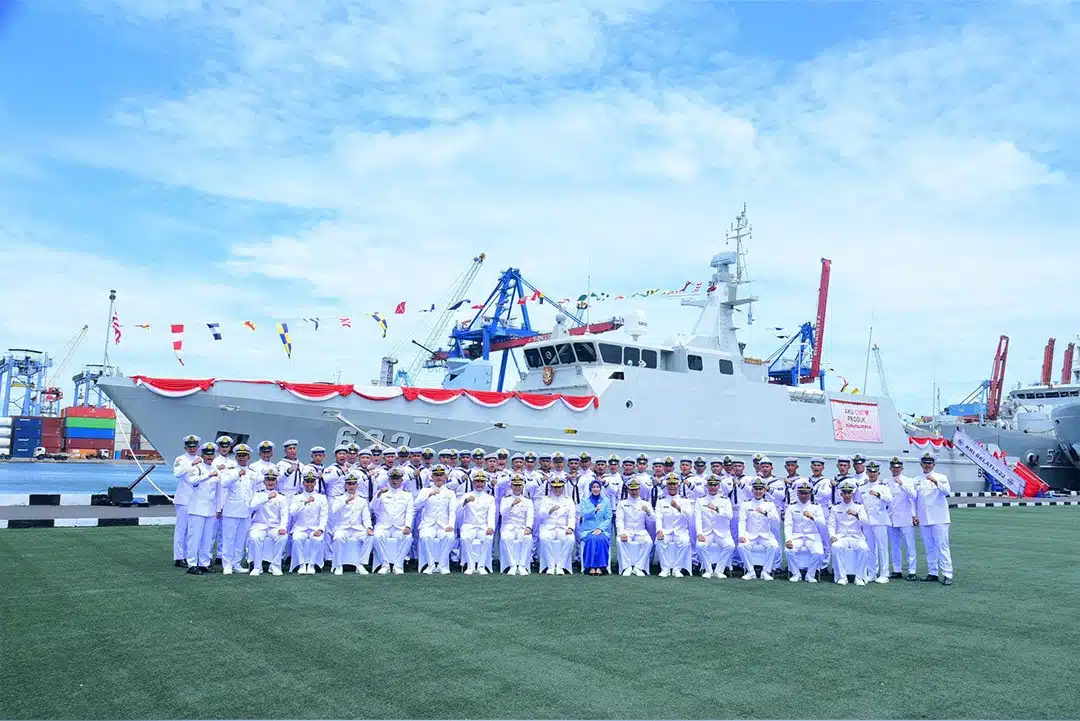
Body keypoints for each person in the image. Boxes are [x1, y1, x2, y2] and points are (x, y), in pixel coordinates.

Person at [915, 452, 953, 585]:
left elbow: (947, 491)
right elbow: (914, 500)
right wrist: (914, 515)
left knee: (942, 545)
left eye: (929, 463)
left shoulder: (941, 477)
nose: (927, 465)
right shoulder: (916, 480)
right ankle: (933, 572)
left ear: (934, 464)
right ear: (921, 464)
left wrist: (936, 482)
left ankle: (947, 574)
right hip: (924, 518)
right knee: (929, 546)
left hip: (939, 518)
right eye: (925, 463)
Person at [185, 442, 223, 574]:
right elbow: (192, 480)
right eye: (207, 454)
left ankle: (204, 563)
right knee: (194, 538)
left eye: (212, 454)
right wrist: (208, 475)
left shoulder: (216, 469)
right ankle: (191, 564)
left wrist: (218, 509)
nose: (209, 456)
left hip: (211, 510)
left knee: (208, 539)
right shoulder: (197, 468)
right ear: (202, 455)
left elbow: (219, 492)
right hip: (197, 509)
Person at [218, 443, 256, 575]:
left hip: (246, 511)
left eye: (244, 455)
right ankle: (227, 565)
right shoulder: (229, 470)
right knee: (229, 539)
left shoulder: (252, 473)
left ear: (248, 457)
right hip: (232, 511)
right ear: (235, 457)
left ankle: (236, 563)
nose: (241, 458)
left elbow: (254, 491)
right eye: (239, 455)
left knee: (241, 539)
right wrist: (237, 475)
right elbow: (223, 483)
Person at [415, 465, 457, 574]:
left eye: (441, 475)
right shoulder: (425, 490)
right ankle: (431, 565)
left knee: (450, 537)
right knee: (425, 537)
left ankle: (442, 565)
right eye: (436, 475)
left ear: (445, 477)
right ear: (432, 477)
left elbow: (452, 511)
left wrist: (451, 525)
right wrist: (428, 495)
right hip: (428, 524)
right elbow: (416, 506)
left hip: (443, 525)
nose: (438, 477)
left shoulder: (450, 492)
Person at [371, 468, 414, 574]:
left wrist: (408, 526)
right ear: (389, 479)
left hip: (399, 527)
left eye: (397, 478)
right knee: (376, 536)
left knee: (408, 537)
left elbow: (409, 512)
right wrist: (379, 494)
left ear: (401, 480)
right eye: (393, 478)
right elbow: (372, 506)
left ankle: (398, 565)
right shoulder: (382, 493)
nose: (395, 481)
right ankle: (385, 564)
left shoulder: (407, 495)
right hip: (383, 526)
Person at [247, 468, 289, 576]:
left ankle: (275, 566)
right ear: (264, 481)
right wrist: (267, 497)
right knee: (255, 537)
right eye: (268, 480)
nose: (270, 482)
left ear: (276, 481)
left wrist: (283, 527)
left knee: (283, 537)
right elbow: (252, 507)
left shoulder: (282, 497)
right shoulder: (258, 495)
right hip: (259, 525)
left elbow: (284, 515)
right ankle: (257, 567)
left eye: (273, 480)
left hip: (274, 527)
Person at [330, 473, 374, 574]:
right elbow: (333, 511)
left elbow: (366, 517)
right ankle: (338, 565)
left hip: (357, 528)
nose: (351, 486)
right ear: (345, 485)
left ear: (357, 485)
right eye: (349, 484)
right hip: (342, 528)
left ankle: (361, 564)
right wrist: (345, 501)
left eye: (353, 484)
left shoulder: (362, 500)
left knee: (370, 537)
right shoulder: (339, 499)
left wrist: (369, 528)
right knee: (338, 538)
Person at [783, 480, 826, 582]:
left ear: (810, 493)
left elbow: (823, 523)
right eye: (801, 493)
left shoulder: (816, 507)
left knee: (819, 552)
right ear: (797, 493)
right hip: (796, 535)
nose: (803, 495)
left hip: (812, 535)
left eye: (806, 493)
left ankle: (810, 575)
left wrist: (812, 517)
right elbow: (788, 524)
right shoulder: (791, 507)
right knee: (788, 551)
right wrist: (788, 539)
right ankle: (796, 573)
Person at [737, 478, 780, 580]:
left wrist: (765, 513)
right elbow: (742, 521)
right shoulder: (746, 504)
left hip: (765, 535)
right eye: (756, 489)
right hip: (750, 534)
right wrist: (741, 535)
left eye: (760, 489)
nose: (758, 491)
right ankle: (750, 571)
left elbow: (776, 519)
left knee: (774, 546)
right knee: (741, 546)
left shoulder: (769, 504)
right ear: (752, 490)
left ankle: (766, 571)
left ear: (764, 490)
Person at [694, 475, 735, 578]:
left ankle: (719, 570)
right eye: (710, 485)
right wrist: (699, 533)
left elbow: (730, 516)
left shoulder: (725, 500)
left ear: (719, 486)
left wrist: (717, 509)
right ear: (707, 486)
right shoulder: (700, 500)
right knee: (700, 546)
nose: (712, 487)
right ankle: (708, 570)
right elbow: (698, 518)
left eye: (715, 485)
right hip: (706, 532)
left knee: (730, 546)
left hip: (722, 533)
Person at [828, 481, 869, 585]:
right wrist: (832, 536)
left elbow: (866, 522)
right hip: (841, 537)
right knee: (836, 547)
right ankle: (842, 577)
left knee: (864, 548)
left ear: (852, 493)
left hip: (856, 537)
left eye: (849, 492)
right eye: (844, 493)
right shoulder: (835, 507)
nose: (847, 495)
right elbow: (831, 525)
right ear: (841, 494)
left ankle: (859, 577)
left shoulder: (859, 507)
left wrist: (856, 515)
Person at [859, 461, 893, 583]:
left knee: (882, 548)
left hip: (880, 521)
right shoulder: (862, 488)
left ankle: (884, 574)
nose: (872, 474)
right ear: (866, 472)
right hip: (867, 522)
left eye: (874, 471)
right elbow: (860, 504)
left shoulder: (884, 487)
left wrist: (878, 494)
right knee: (870, 548)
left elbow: (889, 500)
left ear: (878, 473)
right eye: (870, 471)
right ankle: (872, 572)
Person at [886, 456, 919, 580]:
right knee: (895, 545)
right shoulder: (886, 481)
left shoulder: (908, 481)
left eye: (898, 467)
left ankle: (912, 571)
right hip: (891, 517)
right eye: (894, 467)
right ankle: (897, 569)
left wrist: (902, 485)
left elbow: (913, 496)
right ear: (890, 468)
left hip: (905, 517)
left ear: (902, 468)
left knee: (909, 545)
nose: (896, 469)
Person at [289, 470, 328, 574]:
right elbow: (292, 512)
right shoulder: (297, 497)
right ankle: (301, 565)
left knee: (318, 539)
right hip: (300, 528)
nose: (309, 484)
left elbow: (324, 516)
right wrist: (305, 502)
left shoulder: (321, 497)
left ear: (315, 483)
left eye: (312, 482)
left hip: (315, 528)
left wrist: (320, 529)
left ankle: (312, 565)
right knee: (296, 539)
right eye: (307, 481)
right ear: (303, 483)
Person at [654, 474, 692, 577]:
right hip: (666, 530)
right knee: (659, 541)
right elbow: (658, 517)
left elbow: (690, 516)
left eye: (674, 484)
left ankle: (677, 569)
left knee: (685, 542)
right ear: (666, 485)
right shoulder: (661, 500)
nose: (672, 486)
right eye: (670, 484)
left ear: (678, 485)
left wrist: (679, 508)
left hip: (680, 531)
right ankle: (665, 568)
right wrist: (659, 530)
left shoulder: (685, 500)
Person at [171, 434, 201, 567]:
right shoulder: (181, 459)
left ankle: (190, 556)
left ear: (198, 447)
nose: (192, 449)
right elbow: (177, 473)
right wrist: (191, 464)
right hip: (184, 498)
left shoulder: (201, 459)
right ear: (185, 448)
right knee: (181, 529)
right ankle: (179, 557)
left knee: (192, 530)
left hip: (197, 499)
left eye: (194, 447)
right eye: (190, 447)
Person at [459, 472, 496, 574]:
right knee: (465, 538)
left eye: (482, 482)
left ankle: (481, 566)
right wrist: (465, 501)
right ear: (473, 482)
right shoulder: (466, 495)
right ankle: (470, 566)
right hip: (469, 525)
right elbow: (458, 511)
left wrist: (490, 527)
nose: (479, 484)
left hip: (483, 526)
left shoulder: (489, 498)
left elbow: (491, 514)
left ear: (485, 483)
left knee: (488, 538)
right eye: (477, 481)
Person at [538, 478, 576, 574]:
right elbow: (540, 514)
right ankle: (550, 566)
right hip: (548, 527)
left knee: (570, 539)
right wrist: (550, 510)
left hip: (563, 528)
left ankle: (560, 566)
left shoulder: (568, 500)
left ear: (563, 487)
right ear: (551, 487)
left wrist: (570, 528)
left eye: (559, 487)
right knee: (544, 538)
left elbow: (572, 516)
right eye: (555, 487)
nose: (557, 489)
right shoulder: (545, 499)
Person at [615, 479, 653, 575]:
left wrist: (648, 512)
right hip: (627, 531)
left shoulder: (646, 503)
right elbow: (619, 520)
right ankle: (626, 567)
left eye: (636, 489)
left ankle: (638, 567)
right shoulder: (622, 503)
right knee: (619, 541)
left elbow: (653, 520)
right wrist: (621, 533)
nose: (634, 492)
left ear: (639, 490)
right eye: (632, 490)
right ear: (628, 490)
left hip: (640, 531)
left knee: (649, 542)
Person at [499, 474, 534, 575]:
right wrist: (512, 504)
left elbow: (530, 515)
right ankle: (512, 565)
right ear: (511, 486)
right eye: (515, 485)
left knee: (528, 538)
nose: (517, 488)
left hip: (522, 528)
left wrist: (528, 527)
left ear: (523, 486)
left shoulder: (528, 500)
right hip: (508, 527)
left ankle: (522, 565)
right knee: (505, 538)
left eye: (519, 485)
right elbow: (502, 513)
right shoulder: (505, 499)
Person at [578, 478, 612, 575]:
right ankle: (591, 566)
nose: (595, 489)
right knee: (591, 539)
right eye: (593, 487)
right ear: (590, 489)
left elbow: (608, 517)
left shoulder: (606, 501)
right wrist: (595, 510)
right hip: (588, 529)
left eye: (597, 487)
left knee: (602, 539)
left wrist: (600, 529)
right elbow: (584, 514)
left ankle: (600, 566)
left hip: (601, 529)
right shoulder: (584, 501)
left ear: (600, 489)